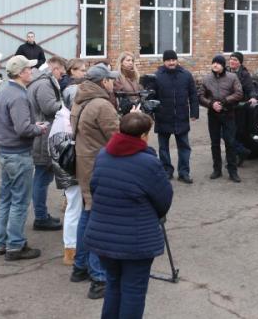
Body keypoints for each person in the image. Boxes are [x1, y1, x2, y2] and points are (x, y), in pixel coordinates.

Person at [86, 111, 173, 319]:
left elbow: (95, 188)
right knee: (133, 291)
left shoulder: (103, 155)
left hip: (102, 236)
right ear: (143, 135)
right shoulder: (148, 163)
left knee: (114, 284)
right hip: (136, 240)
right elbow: (164, 199)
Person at [70, 63, 121, 300]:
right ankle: (99, 277)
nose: (113, 82)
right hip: (98, 165)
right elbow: (118, 137)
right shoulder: (101, 105)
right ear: (103, 82)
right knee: (98, 221)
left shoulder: (79, 100)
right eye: (110, 79)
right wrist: (136, 120)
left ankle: (80, 266)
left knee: (87, 214)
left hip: (85, 162)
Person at [0, 55, 48, 260]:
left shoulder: (6, 90)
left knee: (6, 199)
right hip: (18, 154)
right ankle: (15, 246)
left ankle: (1, 242)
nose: (31, 72)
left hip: (6, 152)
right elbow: (23, 128)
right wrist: (39, 128)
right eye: (28, 69)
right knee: (19, 202)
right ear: (21, 72)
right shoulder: (18, 96)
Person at [27, 55, 66, 231]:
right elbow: (49, 107)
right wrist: (66, 104)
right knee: (42, 177)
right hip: (43, 136)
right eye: (61, 73)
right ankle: (41, 217)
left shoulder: (42, 82)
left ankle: (42, 215)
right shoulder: (44, 84)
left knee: (43, 177)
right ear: (54, 68)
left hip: (43, 134)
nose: (62, 76)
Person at [153, 50, 198, 184]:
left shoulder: (186, 75)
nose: (171, 62)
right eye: (168, 60)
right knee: (163, 148)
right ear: (164, 61)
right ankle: (167, 171)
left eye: (174, 59)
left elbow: (193, 95)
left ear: (177, 60)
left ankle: (184, 173)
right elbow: (152, 97)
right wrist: (152, 113)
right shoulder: (157, 76)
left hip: (181, 117)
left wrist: (194, 112)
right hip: (163, 117)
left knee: (184, 146)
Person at [48, 85, 82, 266]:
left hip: (71, 173)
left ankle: (75, 246)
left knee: (76, 209)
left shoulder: (65, 117)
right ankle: (71, 249)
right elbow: (64, 155)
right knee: (74, 210)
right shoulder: (64, 122)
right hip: (71, 174)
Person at [199, 55, 243, 183]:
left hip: (228, 114)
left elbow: (239, 93)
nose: (215, 65)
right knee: (214, 143)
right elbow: (200, 96)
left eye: (218, 63)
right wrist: (211, 104)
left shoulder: (232, 77)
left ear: (223, 65)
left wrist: (224, 101)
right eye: (214, 63)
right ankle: (217, 169)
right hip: (213, 115)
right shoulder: (207, 79)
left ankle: (232, 171)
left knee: (230, 142)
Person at [228, 52, 258, 165]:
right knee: (226, 131)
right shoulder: (226, 72)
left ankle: (237, 156)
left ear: (240, 62)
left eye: (235, 59)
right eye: (231, 59)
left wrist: (253, 97)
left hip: (239, 108)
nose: (232, 61)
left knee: (237, 133)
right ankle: (241, 151)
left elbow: (250, 88)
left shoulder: (244, 74)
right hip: (228, 107)